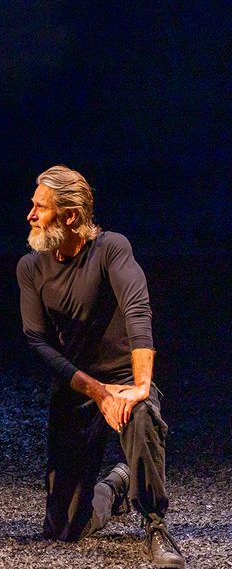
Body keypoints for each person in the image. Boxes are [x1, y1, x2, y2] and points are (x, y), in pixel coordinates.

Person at [17, 164, 186, 568]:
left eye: (41, 207)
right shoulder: (31, 268)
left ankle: (155, 524)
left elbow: (137, 309)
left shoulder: (111, 248)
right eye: (33, 205)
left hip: (124, 378)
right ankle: (115, 487)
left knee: (141, 412)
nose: (30, 214)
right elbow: (37, 341)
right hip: (79, 386)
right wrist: (96, 391)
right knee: (63, 529)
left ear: (70, 215)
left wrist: (140, 385)